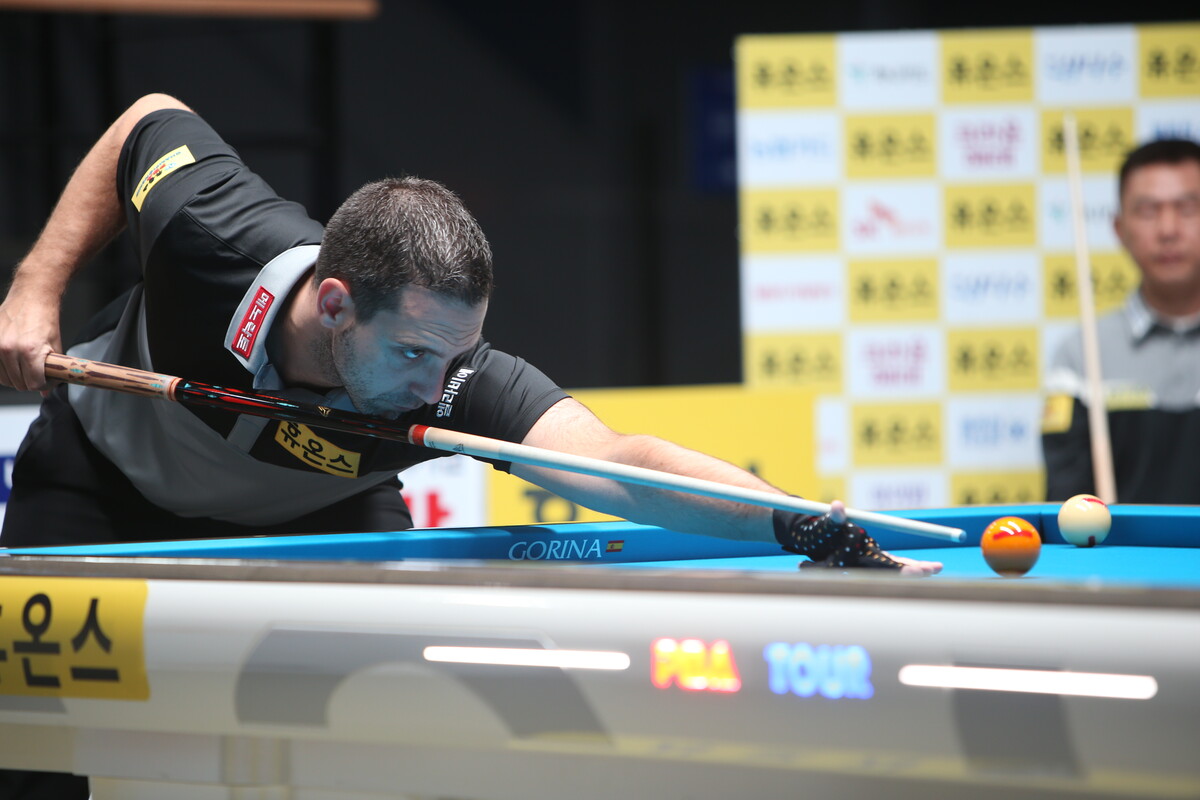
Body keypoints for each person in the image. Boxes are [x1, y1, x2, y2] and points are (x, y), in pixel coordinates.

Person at [0, 94, 940, 799]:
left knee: (376, 734)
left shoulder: (455, 377)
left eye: (451, 353)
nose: (431, 384)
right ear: (335, 305)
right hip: (101, 474)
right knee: (29, 746)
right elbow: (146, 122)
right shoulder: (215, 231)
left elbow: (622, 463)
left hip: (321, 516)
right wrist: (37, 287)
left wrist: (810, 528)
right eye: (410, 350)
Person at [1043, 138, 1200, 503]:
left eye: (1188, 208)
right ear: (1119, 228)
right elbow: (1069, 503)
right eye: (1148, 211)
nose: (1168, 229)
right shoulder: (1081, 355)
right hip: (1122, 559)